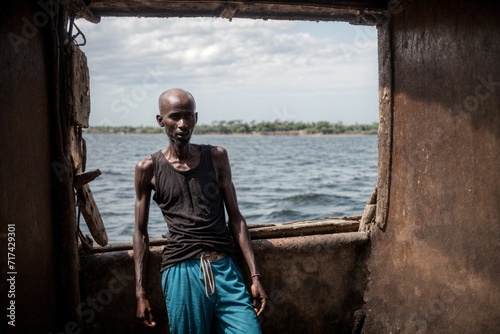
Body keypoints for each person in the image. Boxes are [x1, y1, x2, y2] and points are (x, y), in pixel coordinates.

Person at [133, 88, 267, 333]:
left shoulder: (216, 157)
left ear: (196, 118)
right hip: (181, 270)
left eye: (188, 116)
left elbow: (235, 218)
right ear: (160, 120)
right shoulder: (148, 168)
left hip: (224, 267)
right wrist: (140, 292)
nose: (182, 124)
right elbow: (140, 233)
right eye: (175, 116)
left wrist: (255, 275)